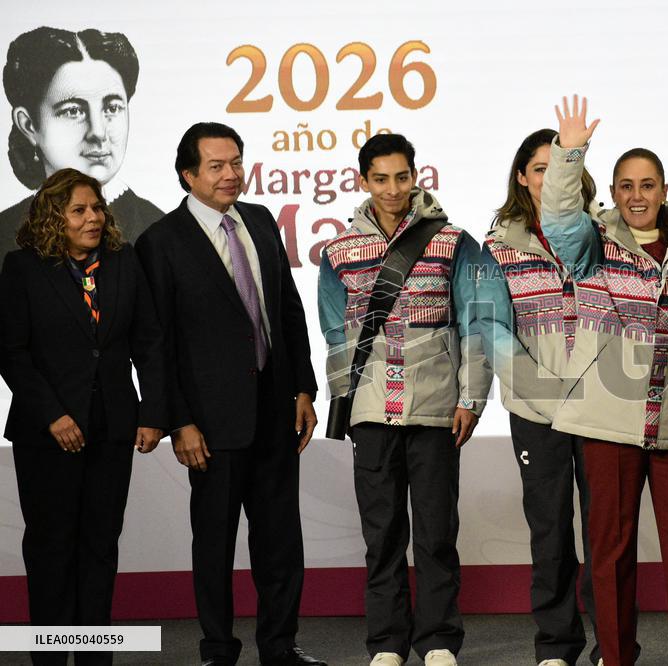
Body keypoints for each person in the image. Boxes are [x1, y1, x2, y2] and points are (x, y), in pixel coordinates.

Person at [540, 96, 668, 666]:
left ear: (664, 188)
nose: (635, 196)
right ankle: (616, 658)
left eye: (646, 184)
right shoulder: (590, 243)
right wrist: (569, 151)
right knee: (610, 554)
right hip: (606, 423)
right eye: (625, 185)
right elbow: (556, 214)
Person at [134, 122, 322, 666]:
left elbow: (287, 311)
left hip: (275, 409)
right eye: (216, 165)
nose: (231, 174)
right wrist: (179, 420)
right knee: (214, 544)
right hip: (210, 425)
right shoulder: (160, 243)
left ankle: (280, 647)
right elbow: (157, 345)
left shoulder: (261, 221)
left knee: (281, 542)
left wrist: (303, 387)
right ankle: (218, 649)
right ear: (188, 175)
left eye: (236, 162)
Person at [318, 133, 490, 666]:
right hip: (370, 414)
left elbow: (476, 322)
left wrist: (473, 398)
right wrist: (344, 403)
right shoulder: (338, 251)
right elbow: (334, 333)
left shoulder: (453, 241)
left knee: (437, 532)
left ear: (416, 176)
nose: (393, 188)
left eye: (402, 176)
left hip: (437, 408)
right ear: (362, 181)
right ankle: (387, 643)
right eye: (380, 178)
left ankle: (438, 640)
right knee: (382, 533)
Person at [0, 167, 166, 666]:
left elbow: (150, 343)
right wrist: (53, 414)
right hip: (45, 435)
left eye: (97, 208)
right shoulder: (22, 268)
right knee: (52, 548)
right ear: (55, 217)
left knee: (100, 545)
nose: (93, 217)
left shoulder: (123, 262)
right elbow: (12, 352)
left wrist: (153, 412)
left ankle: (95, 658)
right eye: (79, 210)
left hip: (112, 429)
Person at [478, 128, 600, 666]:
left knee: (606, 534)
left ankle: (613, 643)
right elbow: (493, 329)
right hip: (537, 410)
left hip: (603, 406)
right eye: (539, 169)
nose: (550, 178)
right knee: (550, 529)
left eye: (560, 167)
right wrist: (548, 395)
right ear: (522, 177)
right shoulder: (497, 244)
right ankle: (556, 645)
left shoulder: (600, 233)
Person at [0, 27, 163, 257]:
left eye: (112, 108)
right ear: (28, 125)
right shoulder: (4, 234)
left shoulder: (157, 227)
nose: (98, 132)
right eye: (73, 111)